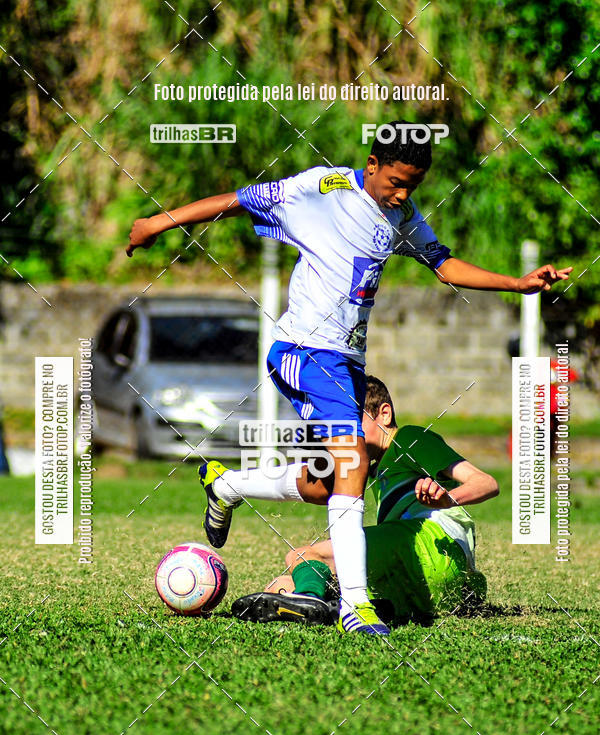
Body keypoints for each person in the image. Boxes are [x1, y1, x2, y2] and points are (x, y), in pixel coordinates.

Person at [127, 121, 570, 636]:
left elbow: (443, 264)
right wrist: (157, 223)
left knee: (324, 485)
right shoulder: (319, 190)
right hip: (304, 351)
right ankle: (355, 608)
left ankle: (228, 486)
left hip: (348, 364)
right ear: (372, 165)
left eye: (413, 187)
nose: (402, 195)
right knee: (353, 462)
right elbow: (237, 199)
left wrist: (516, 283)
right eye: (395, 183)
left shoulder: (401, 215)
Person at [231, 376, 499, 630]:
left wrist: (448, 498)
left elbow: (487, 483)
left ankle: (311, 599)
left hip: (430, 544)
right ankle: (327, 605)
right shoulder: (374, 469)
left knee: (302, 556)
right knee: (282, 586)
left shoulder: (410, 438)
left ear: (384, 414)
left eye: (351, 422)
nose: (345, 434)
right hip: (439, 585)